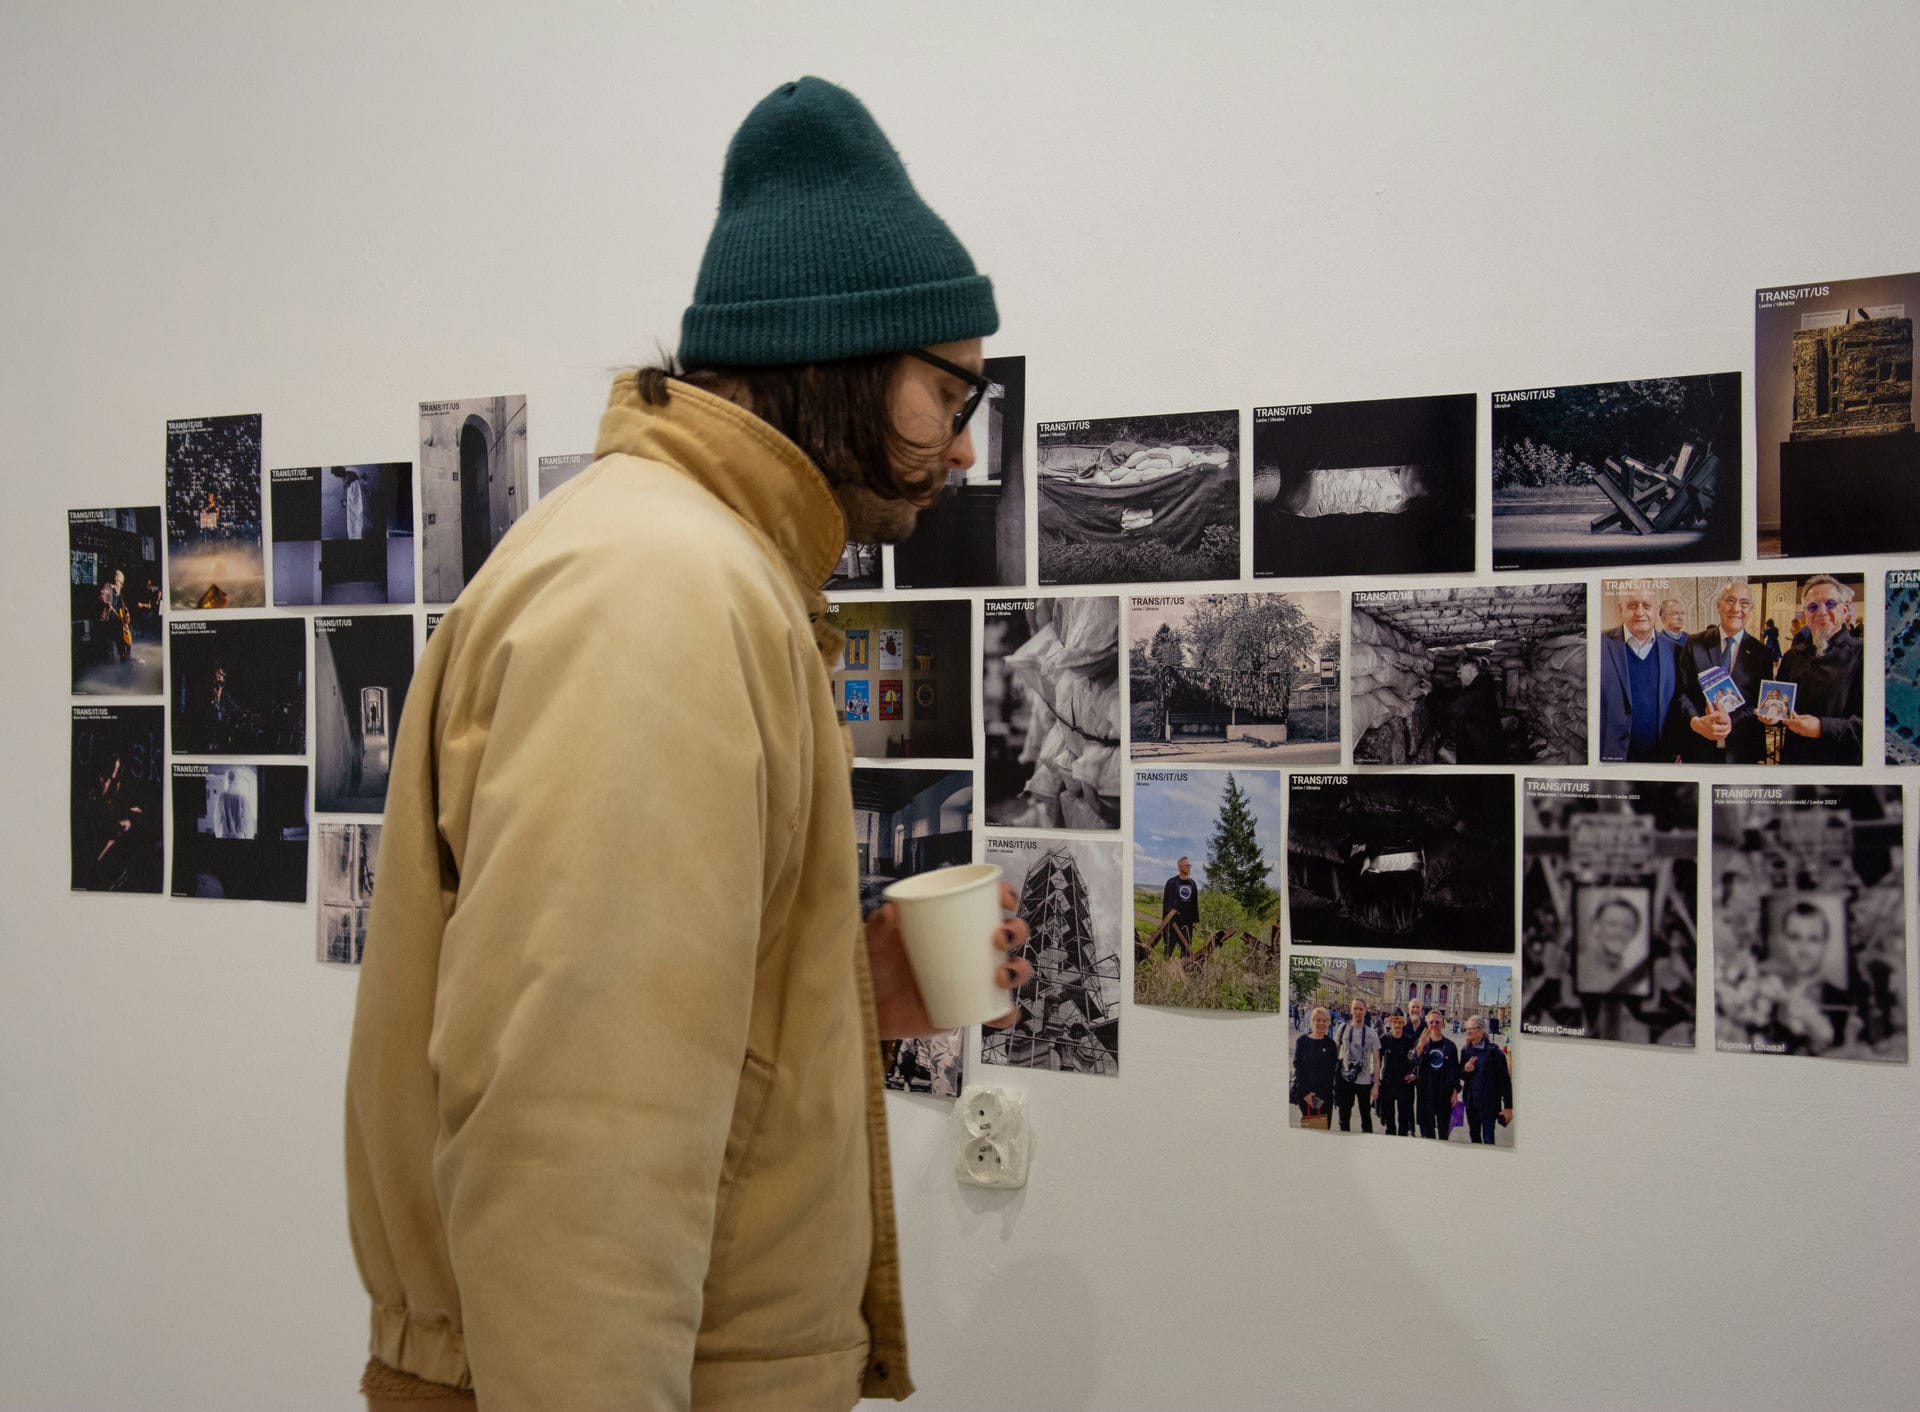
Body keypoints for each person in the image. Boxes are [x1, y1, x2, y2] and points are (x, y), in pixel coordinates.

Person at [344, 78, 1031, 1410]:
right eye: (956, 392)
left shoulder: (691, 567)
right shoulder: (658, 593)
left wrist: (846, 994)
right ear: (842, 352)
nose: (960, 449)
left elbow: (650, 1036)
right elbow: (576, 1156)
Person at [1670, 577, 1769, 764]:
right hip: (1698, 745)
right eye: (1730, 600)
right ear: (1718, 605)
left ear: (1750, 610)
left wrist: (1731, 720)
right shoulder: (1694, 644)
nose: (1736, 608)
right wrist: (1695, 721)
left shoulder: (1762, 653)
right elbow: (1681, 691)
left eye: (1744, 603)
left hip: (1742, 750)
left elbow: (1759, 700)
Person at [1774, 574, 1865, 765]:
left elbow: (1872, 726)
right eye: (1813, 607)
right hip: (1794, 759)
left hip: (1838, 763)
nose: (1822, 612)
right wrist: (1772, 717)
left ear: (1844, 610)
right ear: (1805, 614)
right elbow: (1780, 706)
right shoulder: (1792, 656)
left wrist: (1821, 728)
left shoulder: (1863, 655)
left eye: (1830, 604)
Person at [1597, 578, 1678, 763]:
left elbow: (1678, 705)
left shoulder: (1675, 651)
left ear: (1657, 609)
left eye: (1647, 605)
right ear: (1620, 609)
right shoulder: (1598, 645)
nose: (1640, 612)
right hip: (1612, 759)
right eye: (1632, 606)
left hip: (1661, 759)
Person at [1458, 1016, 1512, 1145]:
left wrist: (1508, 1106)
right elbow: (1461, 1075)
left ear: (1481, 1030)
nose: (1468, 1031)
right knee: (1474, 1137)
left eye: (1472, 1028)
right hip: (1471, 1104)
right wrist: (1466, 1069)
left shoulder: (1495, 1052)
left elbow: (1504, 1081)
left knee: (1488, 1139)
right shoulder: (1465, 1050)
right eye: (1467, 1028)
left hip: (1489, 1104)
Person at [1331, 996, 1381, 1133]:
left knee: (1366, 1117)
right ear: (1351, 1010)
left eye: (1361, 1009)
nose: (1358, 1012)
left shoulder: (1371, 1034)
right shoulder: (1342, 1028)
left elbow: (1377, 1061)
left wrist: (1376, 1085)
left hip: (1364, 1080)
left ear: (1365, 1011)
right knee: (1344, 1115)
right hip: (1345, 1078)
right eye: (1355, 1008)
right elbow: (1334, 1053)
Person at [1444, 657, 1505, 764]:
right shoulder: (1483, 684)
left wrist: (1430, 696)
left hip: (1482, 749)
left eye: (1460, 672)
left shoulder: (1477, 690)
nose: (1458, 676)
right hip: (1486, 744)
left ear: (1470, 671)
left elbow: (1453, 709)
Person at [1412, 1010, 1460, 1140]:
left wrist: (1455, 1093)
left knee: (1444, 1131)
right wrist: (1420, 1046)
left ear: (1442, 1024)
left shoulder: (1450, 1046)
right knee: (1427, 1132)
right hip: (1426, 1092)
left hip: (1444, 1092)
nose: (1434, 1025)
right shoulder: (1421, 1042)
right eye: (1431, 1022)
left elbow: (1455, 1071)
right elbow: (1413, 1061)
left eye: (1437, 1022)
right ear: (1427, 1024)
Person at [1290, 1006, 1338, 1126]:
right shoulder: (1302, 1041)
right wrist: (1306, 1093)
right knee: (1309, 1129)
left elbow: (1331, 1072)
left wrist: (1320, 1097)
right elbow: (1298, 1067)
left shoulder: (1330, 1044)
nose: (1321, 1023)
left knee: (1324, 1129)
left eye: (1324, 1020)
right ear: (1312, 1021)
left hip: (1324, 1097)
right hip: (1305, 1095)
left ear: (1328, 1023)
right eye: (1318, 1020)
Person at [1375, 1008, 1417, 1136]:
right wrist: (1376, 1082)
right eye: (1394, 1022)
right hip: (1388, 1082)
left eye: (1400, 1022)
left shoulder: (1409, 1040)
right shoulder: (1384, 1039)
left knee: (1403, 1119)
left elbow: (1415, 1060)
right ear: (1390, 1023)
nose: (1397, 1025)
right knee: (1389, 1120)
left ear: (1404, 1023)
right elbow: (1377, 1061)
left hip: (1404, 1084)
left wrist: (1414, 1073)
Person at [1159, 856, 1201, 958]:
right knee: (1169, 947)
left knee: (1186, 948)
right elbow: (1166, 903)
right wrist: (1165, 921)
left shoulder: (1192, 883)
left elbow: (1194, 902)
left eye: (1189, 865)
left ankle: (1183, 966)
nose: (1189, 867)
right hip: (1173, 921)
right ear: (1180, 867)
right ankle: (1165, 965)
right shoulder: (1171, 882)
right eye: (1187, 865)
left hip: (1187, 921)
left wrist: (1196, 919)